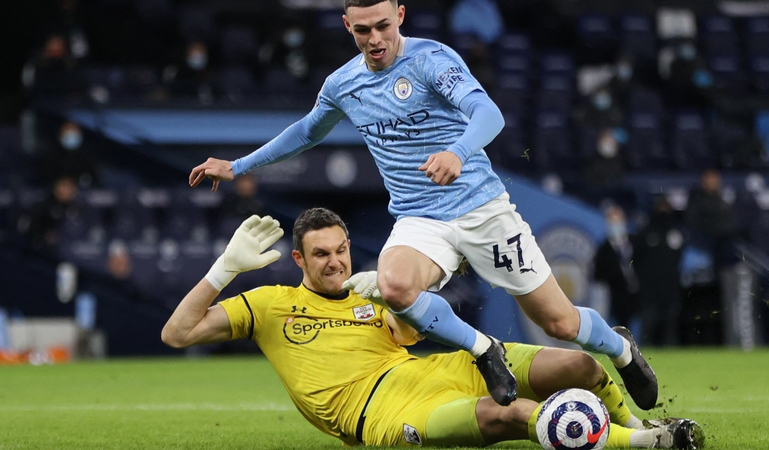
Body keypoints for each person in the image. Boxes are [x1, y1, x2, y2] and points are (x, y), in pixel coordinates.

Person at [188, 0, 658, 410]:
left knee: (560, 322)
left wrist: (458, 152)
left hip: (482, 211)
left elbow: (488, 114)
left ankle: (620, 349)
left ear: (400, 16)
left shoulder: (432, 60)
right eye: (363, 30)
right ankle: (484, 349)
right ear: (347, 26)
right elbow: (308, 130)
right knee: (394, 286)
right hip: (420, 218)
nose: (375, 39)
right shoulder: (343, 83)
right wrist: (239, 165)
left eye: (383, 26)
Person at [161, 208, 705, 448]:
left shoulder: (368, 290)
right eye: (321, 255)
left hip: (434, 370)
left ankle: (636, 422)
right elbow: (177, 334)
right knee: (510, 414)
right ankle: (649, 444)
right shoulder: (270, 305)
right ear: (299, 260)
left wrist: (394, 301)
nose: (336, 262)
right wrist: (223, 270)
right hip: (379, 412)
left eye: (341, 249)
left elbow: (409, 335)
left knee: (578, 365)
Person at [633, 196, 683, 346]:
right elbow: (636, 259)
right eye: (661, 208)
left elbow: (678, 257)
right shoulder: (646, 233)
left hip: (671, 287)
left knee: (671, 324)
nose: (664, 212)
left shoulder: (675, 233)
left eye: (666, 208)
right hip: (650, 289)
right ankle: (644, 351)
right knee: (649, 322)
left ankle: (671, 350)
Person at [593, 203, 639, 330]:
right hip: (616, 297)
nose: (616, 226)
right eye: (612, 222)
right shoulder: (603, 249)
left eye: (618, 221)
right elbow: (598, 275)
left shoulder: (636, 242)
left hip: (638, 295)